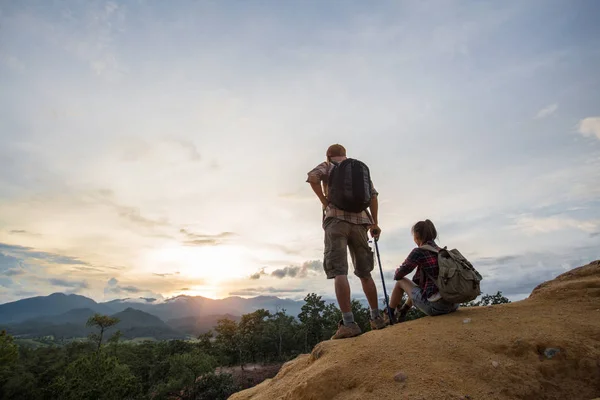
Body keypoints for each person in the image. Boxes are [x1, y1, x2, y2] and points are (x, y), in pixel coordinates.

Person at [306, 144, 386, 339]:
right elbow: (373, 195)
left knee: (339, 271)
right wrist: (374, 223)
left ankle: (349, 323)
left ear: (329, 155)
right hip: (361, 223)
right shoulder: (358, 169)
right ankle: (377, 318)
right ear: (345, 154)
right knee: (365, 272)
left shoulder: (328, 165)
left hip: (336, 222)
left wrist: (325, 202)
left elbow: (312, 177)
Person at [385, 219, 459, 323]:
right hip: (454, 304)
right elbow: (417, 284)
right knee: (418, 284)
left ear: (416, 235)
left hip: (437, 307)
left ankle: (389, 315)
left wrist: (397, 270)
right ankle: (403, 311)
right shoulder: (441, 252)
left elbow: (399, 275)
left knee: (400, 282)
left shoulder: (419, 252)